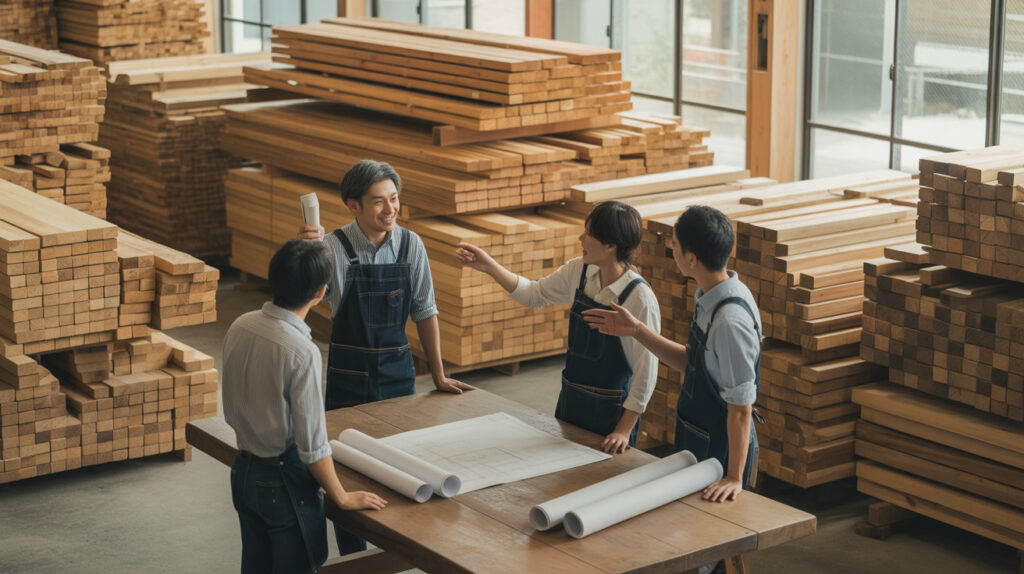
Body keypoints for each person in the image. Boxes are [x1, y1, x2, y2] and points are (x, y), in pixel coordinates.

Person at [298, 159, 472, 554]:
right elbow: (299, 297)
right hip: (347, 377)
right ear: (352, 205)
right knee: (345, 468)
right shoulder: (330, 247)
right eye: (378, 202)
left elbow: (425, 311)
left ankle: (397, 548)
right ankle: (355, 556)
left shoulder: (412, 245)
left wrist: (439, 376)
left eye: (394, 199)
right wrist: (303, 254)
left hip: (398, 377)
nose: (390, 209)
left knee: (399, 467)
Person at [223, 239, 387, 574]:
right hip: (281, 482)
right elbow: (312, 445)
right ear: (322, 292)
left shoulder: (240, 324)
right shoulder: (301, 350)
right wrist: (340, 496)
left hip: (243, 471)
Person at [583, 205, 761, 503]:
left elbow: (741, 407)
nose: (671, 249)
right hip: (697, 435)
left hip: (721, 450)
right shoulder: (710, 294)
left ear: (691, 259)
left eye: (675, 245)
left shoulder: (730, 319)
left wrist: (733, 477)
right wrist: (637, 330)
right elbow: (694, 363)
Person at [456, 201, 660, 454]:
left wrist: (624, 429)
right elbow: (534, 294)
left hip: (612, 415)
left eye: (589, 233)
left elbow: (646, 372)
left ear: (611, 246)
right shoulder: (580, 271)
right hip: (571, 401)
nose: (581, 238)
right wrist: (489, 267)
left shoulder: (638, 298)